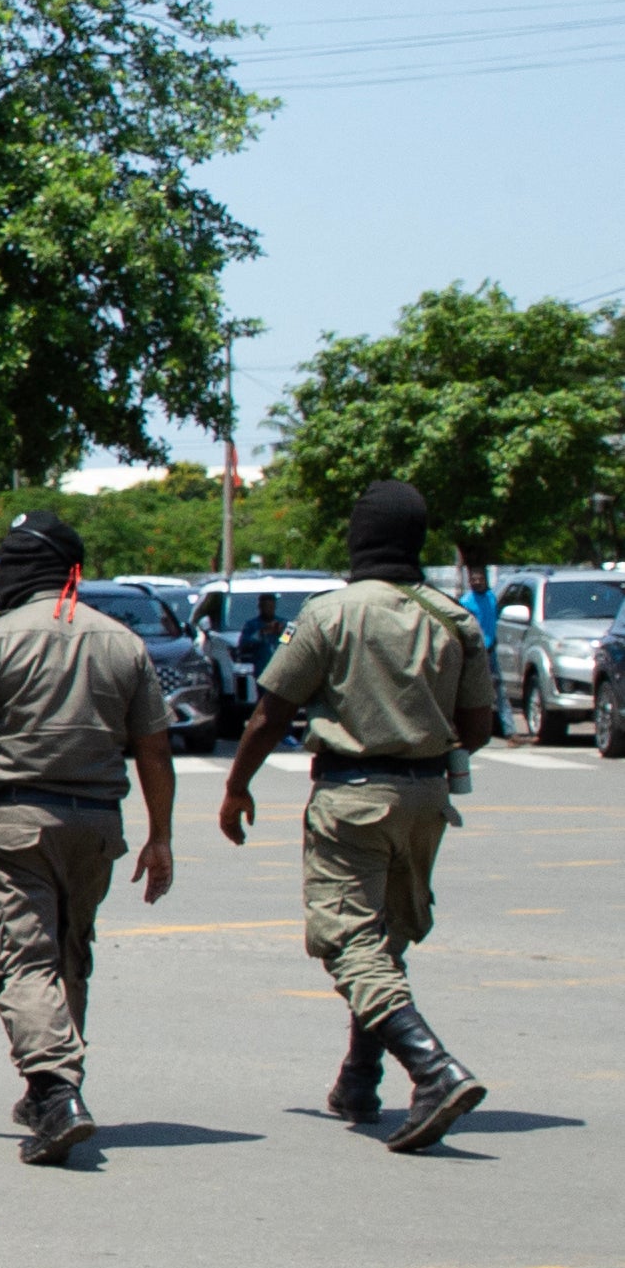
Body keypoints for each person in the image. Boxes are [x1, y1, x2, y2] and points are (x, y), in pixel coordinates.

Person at [218, 480, 496, 1152]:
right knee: (384, 939)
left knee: (346, 941)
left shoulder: (328, 614)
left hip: (351, 795)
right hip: (426, 798)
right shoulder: (451, 616)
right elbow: (478, 725)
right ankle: (359, 1076)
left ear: (358, 539)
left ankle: (431, 1068)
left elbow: (270, 711)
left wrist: (236, 786)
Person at [0, 509, 173, 1167]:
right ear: (73, 570)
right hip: (97, 824)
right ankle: (53, 1085)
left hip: (16, 821)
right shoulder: (121, 642)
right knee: (68, 953)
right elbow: (154, 750)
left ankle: (53, 1090)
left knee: (22, 959)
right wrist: (159, 837)